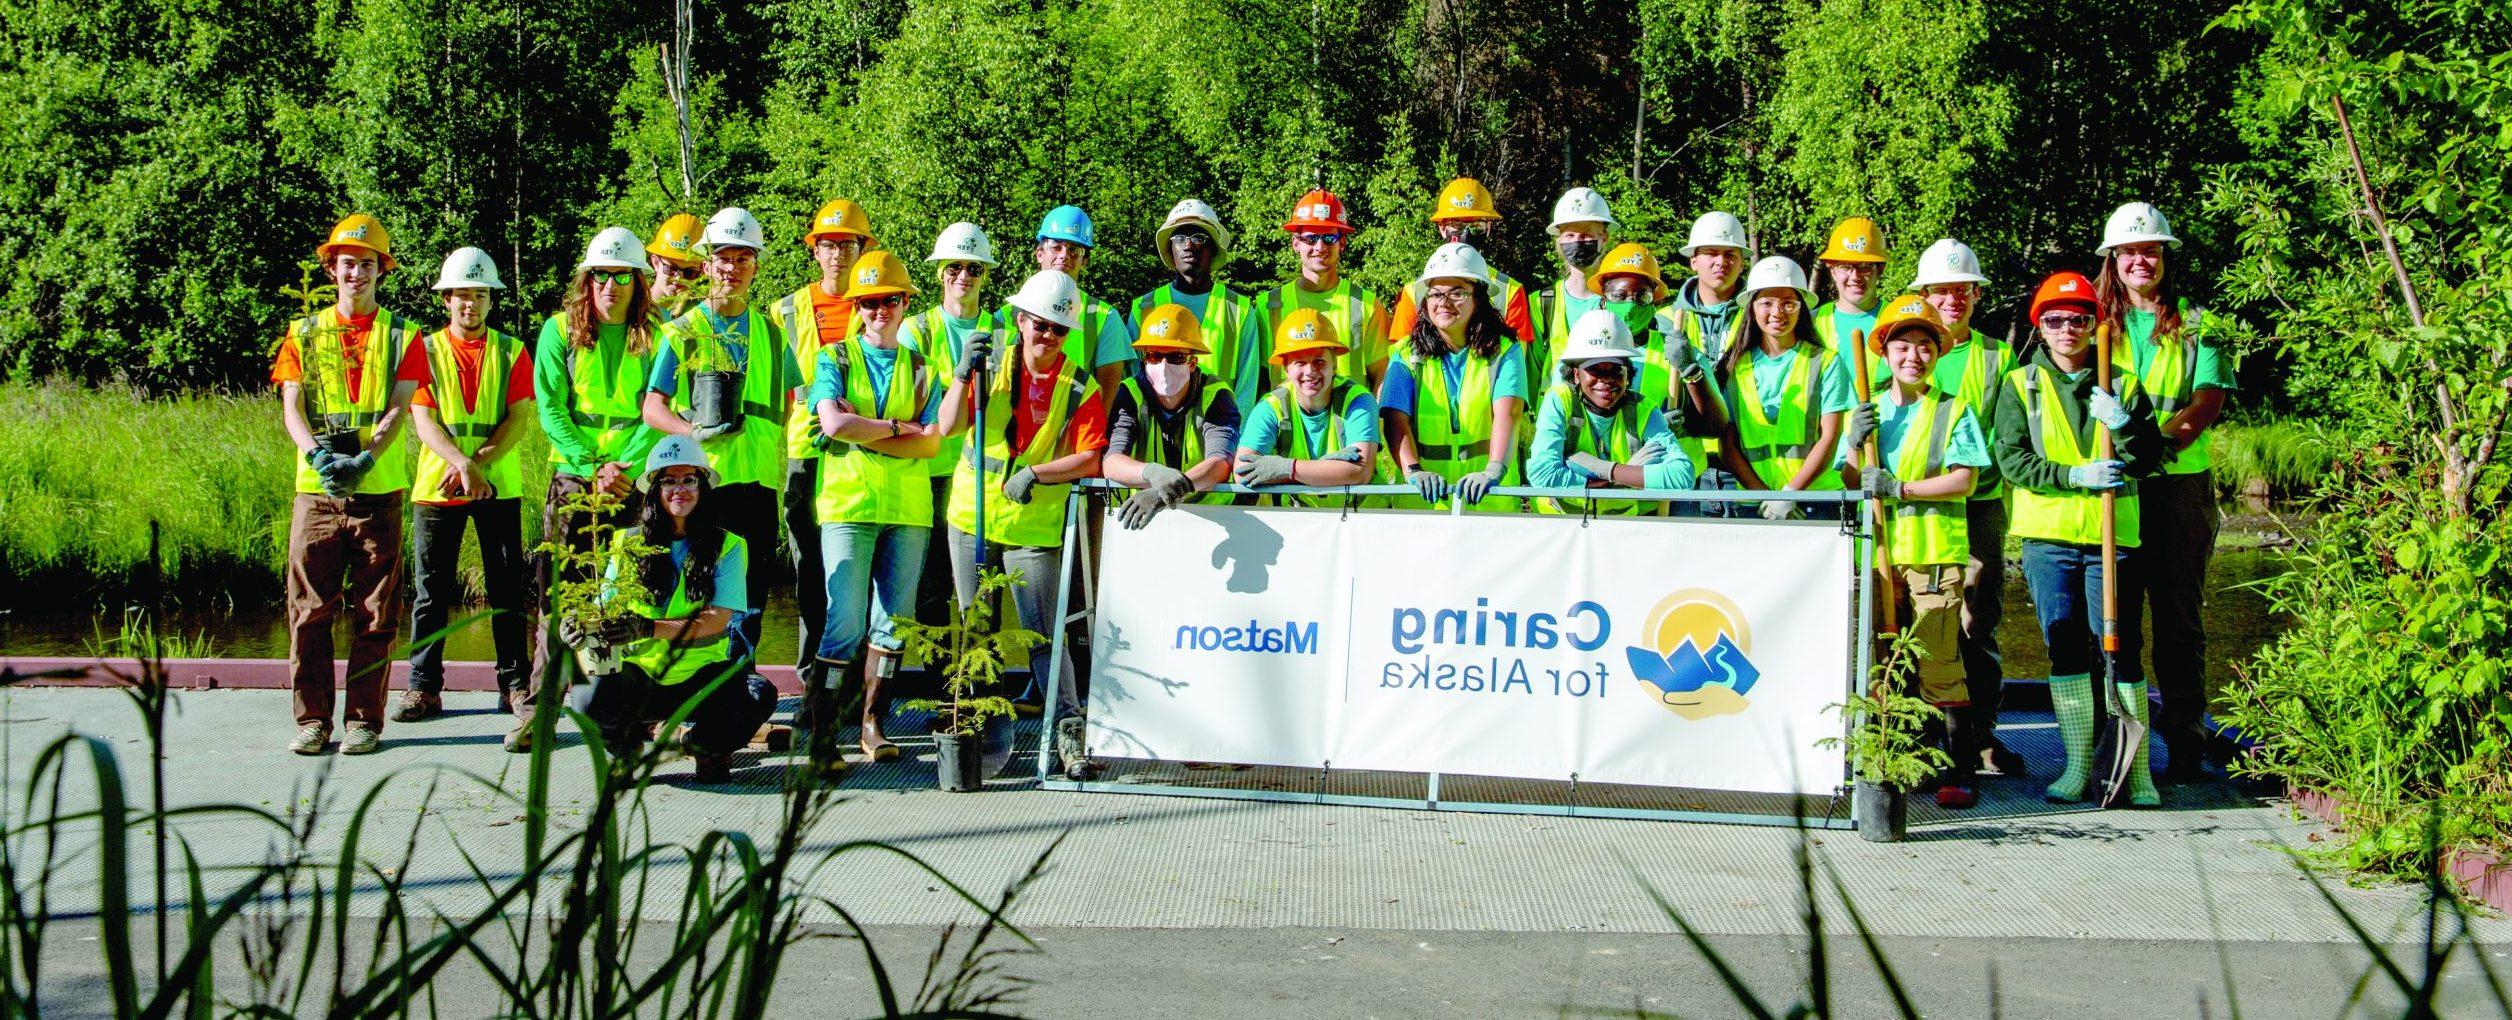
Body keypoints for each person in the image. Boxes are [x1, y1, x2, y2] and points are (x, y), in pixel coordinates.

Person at [1993, 270, 2170, 807]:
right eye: (2055, 320)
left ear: (2096, 325)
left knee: (2122, 648)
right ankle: (2075, 767)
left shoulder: (2122, 383)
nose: (2067, 329)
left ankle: (2134, 772)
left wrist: (2124, 425)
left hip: (2111, 540)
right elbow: (2012, 460)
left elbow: (2149, 458)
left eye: (2079, 319)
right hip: (2048, 541)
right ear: (2039, 327)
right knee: (2065, 646)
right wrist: (2074, 476)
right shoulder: (2019, 384)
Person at [936, 269, 1108, 768]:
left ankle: (1068, 734)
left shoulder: (1079, 384)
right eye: (1040, 325)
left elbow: (1091, 457)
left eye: (1058, 329)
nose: (1048, 337)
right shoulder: (991, 366)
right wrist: (962, 374)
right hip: (971, 520)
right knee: (977, 633)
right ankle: (982, 732)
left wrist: (1038, 471)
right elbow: (948, 426)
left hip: (1031, 526)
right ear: (1020, 319)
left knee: (1041, 639)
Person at [274, 214, 430, 756]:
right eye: (348, 264)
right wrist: (317, 454)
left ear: (380, 271)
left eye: (367, 264)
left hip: (377, 492)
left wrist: (365, 459)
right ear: (332, 269)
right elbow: (292, 408)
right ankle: (313, 721)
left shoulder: (403, 336)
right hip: (316, 493)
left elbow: (397, 409)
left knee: (376, 613)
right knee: (309, 609)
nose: (356, 273)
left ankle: (364, 721)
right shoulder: (303, 333)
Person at [1835, 294, 1992, 808]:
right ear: (1885, 351)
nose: (1913, 356)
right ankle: (1896, 763)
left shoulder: (1953, 410)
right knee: (1883, 663)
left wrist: (1898, 489)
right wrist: (1854, 445)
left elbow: (1964, 479)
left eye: (1925, 346)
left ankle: (1959, 769)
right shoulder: (1868, 410)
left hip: (1932, 559)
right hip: (1878, 556)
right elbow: (1849, 479)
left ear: (1937, 353)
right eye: (1903, 346)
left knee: (1940, 663)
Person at [2097, 202, 2231, 782]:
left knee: (2179, 624)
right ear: (2114, 260)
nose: (2139, 261)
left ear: (2164, 256)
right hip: (2117, 490)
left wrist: (2148, 445)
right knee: (2115, 622)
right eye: (2129, 252)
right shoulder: (2094, 321)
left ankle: (2184, 746)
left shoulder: (2201, 321)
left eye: (2149, 250)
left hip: (2178, 488)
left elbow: (2205, 404)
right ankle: (2122, 753)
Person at [519, 226, 666, 752]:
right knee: (558, 597)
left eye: (621, 276)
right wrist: (591, 464)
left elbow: (659, 406)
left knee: (628, 593)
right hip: (574, 477)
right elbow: (550, 407)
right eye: (600, 275)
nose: (609, 285)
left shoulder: (657, 334)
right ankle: (540, 711)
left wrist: (623, 466)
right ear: (588, 280)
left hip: (632, 478)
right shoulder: (558, 331)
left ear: (637, 281)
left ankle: (626, 712)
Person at [561, 435, 780, 784]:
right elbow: (604, 609)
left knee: (758, 694)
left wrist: (648, 628)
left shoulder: (730, 546)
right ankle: (626, 748)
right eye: (668, 480)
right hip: (639, 676)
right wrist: (574, 629)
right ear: (654, 490)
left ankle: (704, 747)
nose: (680, 489)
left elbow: (717, 620)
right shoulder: (626, 543)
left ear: (703, 486)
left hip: (701, 676)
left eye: (689, 479)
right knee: (587, 695)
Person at [800, 250, 944, 775]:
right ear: (857, 306)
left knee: (894, 623)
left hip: (908, 509)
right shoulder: (834, 359)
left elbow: (932, 444)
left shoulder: (925, 368)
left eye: (888, 300)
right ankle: (821, 734)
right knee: (842, 622)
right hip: (849, 504)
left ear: (905, 302)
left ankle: (872, 724)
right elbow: (834, 426)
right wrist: (898, 428)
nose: (879, 310)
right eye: (869, 302)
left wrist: (872, 427)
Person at [642, 207, 800, 656]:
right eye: (722, 258)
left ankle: (738, 695)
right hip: (703, 486)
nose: (731, 268)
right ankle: (692, 691)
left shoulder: (772, 335)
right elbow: (653, 408)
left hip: (758, 485)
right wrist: (690, 432)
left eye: (742, 258)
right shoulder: (682, 331)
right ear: (706, 264)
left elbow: (785, 405)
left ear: (755, 266)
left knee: (751, 598)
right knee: (701, 592)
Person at [400, 247, 535, 723]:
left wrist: (477, 465)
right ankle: (423, 688)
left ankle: (514, 685)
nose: (469, 305)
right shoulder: (426, 349)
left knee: (505, 589)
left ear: (490, 300)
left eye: (479, 295)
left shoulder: (511, 349)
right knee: (430, 592)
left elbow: (518, 418)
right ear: (446, 299)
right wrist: (462, 464)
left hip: (496, 485)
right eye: (461, 295)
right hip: (438, 486)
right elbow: (423, 420)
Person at [1909, 236, 2024, 777]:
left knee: (1979, 622)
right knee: (1917, 620)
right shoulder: (1903, 348)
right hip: (1914, 513)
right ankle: (1920, 738)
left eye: (1963, 290)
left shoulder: (1997, 355)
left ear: (1976, 295)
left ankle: (1979, 738)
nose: (1952, 299)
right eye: (1941, 290)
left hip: (1976, 508)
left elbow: (2012, 432)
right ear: (1924, 294)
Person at [771, 199, 877, 688]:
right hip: (806, 454)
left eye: (847, 244)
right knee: (809, 568)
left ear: (862, 249)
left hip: (861, 454)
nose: (838, 254)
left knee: (856, 568)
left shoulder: (878, 302)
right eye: (829, 245)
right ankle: (813, 679)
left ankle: (854, 683)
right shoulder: (783, 311)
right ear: (815, 251)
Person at [1379, 243, 1528, 513]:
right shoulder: (1405, 354)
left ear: (1478, 298)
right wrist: (1413, 471)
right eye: (1435, 294)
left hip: (1490, 501)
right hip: (1423, 504)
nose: (1443, 303)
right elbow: (1394, 419)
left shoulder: (1505, 350)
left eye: (1457, 293)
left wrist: (1492, 472)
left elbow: (1510, 413)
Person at [907, 222, 1000, 630]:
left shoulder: (1003, 331)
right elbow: (917, 406)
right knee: (931, 586)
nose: (963, 276)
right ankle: (938, 685)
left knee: (983, 587)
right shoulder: (917, 330)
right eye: (954, 267)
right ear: (939, 271)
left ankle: (982, 683)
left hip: (980, 475)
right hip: (929, 472)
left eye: (974, 269)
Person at [1715, 256, 1853, 520]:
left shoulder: (1825, 362)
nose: (1777, 313)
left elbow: (1830, 437)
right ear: (1751, 308)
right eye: (1766, 303)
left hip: (1816, 500)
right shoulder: (1734, 368)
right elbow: (1728, 444)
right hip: (1756, 502)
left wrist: (1791, 492)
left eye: (1788, 304)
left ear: (1801, 308)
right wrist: (1764, 496)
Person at [1525, 309, 1697, 515]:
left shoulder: (1643, 409)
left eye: (1616, 369)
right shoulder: (1560, 400)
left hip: (1620, 529)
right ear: (1576, 374)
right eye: (1595, 369)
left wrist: (1607, 469)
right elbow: (1542, 474)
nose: (1606, 380)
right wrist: (1628, 476)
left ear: (1628, 374)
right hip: (1561, 524)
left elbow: (1682, 476)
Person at [1104, 303, 1241, 529]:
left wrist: (1167, 492)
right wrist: (1152, 472)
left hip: (1212, 519)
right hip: (1145, 518)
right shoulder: (1130, 393)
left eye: (1176, 357)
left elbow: (1219, 463)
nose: (1163, 365)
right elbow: (1112, 463)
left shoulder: (1216, 395)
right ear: (1144, 360)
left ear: (1192, 363)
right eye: (1154, 356)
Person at [1129, 200, 1269, 419]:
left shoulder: (1239, 310)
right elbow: (1134, 384)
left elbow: (1247, 388)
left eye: (1198, 237)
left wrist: (1233, 441)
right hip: (1156, 440)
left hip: (1222, 438)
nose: (1189, 245)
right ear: (1170, 249)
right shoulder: (1144, 308)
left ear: (1213, 248)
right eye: (1179, 238)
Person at [1234, 309, 1382, 505]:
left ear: (1334, 365)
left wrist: (1287, 469)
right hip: (1300, 522)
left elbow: (1360, 472)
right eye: (1300, 363)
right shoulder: (1271, 407)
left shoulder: (1358, 401)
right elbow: (1242, 472)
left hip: (1360, 519)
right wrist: (1328, 469)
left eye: (1319, 361)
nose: (1310, 372)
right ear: (1286, 369)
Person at [1258, 190, 1389, 390]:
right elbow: (1257, 381)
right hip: (1286, 420)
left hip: (1351, 419)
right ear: (1295, 243)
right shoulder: (1267, 306)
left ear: (1342, 243)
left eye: (1329, 238)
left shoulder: (1366, 304)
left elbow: (1382, 376)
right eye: (1310, 238)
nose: (1319, 247)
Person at [1386, 178, 1535, 346]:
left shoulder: (1510, 291)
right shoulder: (1413, 292)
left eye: (1476, 225)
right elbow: (1401, 359)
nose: (1466, 233)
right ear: (1442, 228)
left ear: (1489, 228)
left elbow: (1516, 359)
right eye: (1456, 224)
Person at [1668, 211, 1753, 503]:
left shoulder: (1758, 319)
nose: (1721, 262)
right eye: (1711, 253)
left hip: (1746, 465)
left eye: (1730, 254)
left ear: (1742, 261)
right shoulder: (1666, 320)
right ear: (1693, 260)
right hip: (1685, 465)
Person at [1004, 205, 1134, 394]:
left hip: (1081, 421)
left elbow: (1106, 397)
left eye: (1074, 249)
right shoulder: (1006, 315)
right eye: (1056, 247)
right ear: (1039, 253)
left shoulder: (1105, 318)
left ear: (1086, 260)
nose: (1064, 255)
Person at [1527, 187, 1616, 371]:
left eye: (1587, 235)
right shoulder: (1540, 303)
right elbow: (1532, 371)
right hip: (1554, 400)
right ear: (1559, 240)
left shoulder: (1619, 300)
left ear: (1604, 238)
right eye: (1570, 235)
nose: (1578, 241)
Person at [1812, 217, 1888, 355]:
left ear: (1880, 270)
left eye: (1864, 267)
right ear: (1832, 271)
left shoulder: (1896, 318)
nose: (1855, 276)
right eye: (1845, 267)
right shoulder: (1812, 322)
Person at [647, 212, 705, 310]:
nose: (679, 278)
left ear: (702, 271)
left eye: (690, 273)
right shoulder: (630, 310)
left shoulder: (703, 316)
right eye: (671, 268)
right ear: (656, 263)